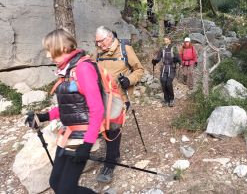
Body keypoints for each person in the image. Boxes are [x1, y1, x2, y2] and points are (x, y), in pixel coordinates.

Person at [25, 29, 104, 194]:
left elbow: (97, 110)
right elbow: (70, 106)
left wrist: (87, 145)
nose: (48, 55)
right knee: (55, 183)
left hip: (82, 138)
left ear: (62, 48)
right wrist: (44, 116)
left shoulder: (83, 68)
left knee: (66, 189)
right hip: (67, 134)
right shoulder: (67, 70)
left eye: (49, 49)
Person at [93, 26, 144, 183]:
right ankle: (113, 154)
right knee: (103, 128)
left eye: (101, 42)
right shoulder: (97, 52)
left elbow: (139, 70)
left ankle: (110, 164)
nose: (99, 45)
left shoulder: (124, 49)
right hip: (100, 97)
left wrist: (129, 80)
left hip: (119, 97)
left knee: (113, 129)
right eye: (96, 42)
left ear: (109, 37)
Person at [152, 35, 181, 107]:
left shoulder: (173, 48)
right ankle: (166, 100)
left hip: (172, 68)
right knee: (163, 82)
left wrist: (178, 61)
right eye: (165, 40)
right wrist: (155, 61)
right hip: (164, 68)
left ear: (170, 40)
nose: (165, 41)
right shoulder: (162, 49)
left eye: (167, 40)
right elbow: (159, 58)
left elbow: (178, 57)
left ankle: (171, 99)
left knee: (168, 83)